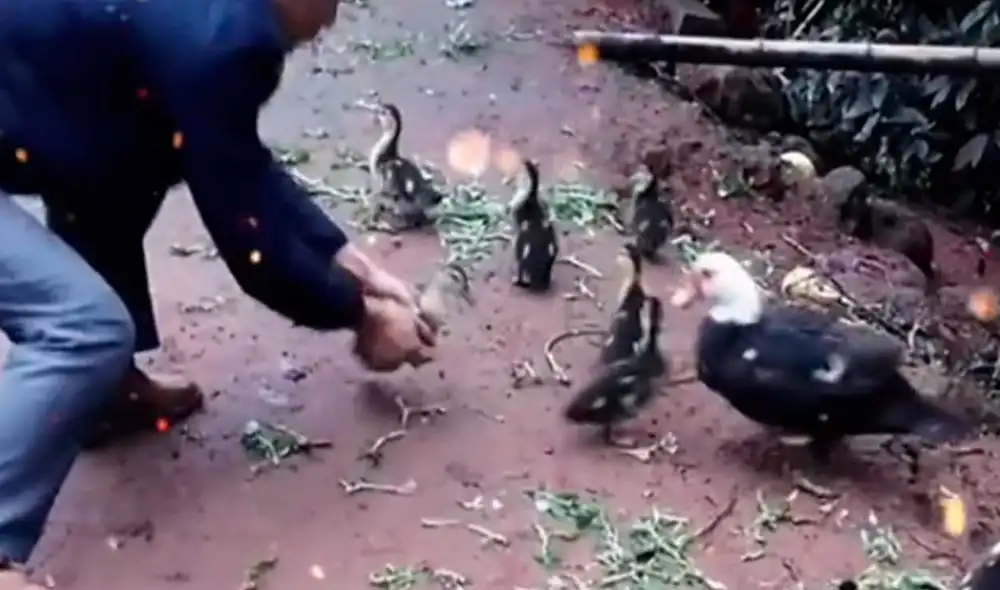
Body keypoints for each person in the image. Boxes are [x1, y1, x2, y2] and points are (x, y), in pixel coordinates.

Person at [0, 0, 431, 585]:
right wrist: (359, 316)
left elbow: (234, 162)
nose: (335, 14)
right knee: (84, 328)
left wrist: (345, 257)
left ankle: (104, 397)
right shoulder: (225, 41)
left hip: (42, 114)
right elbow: (253, 254)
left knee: (124, 157)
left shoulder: (209, 24)